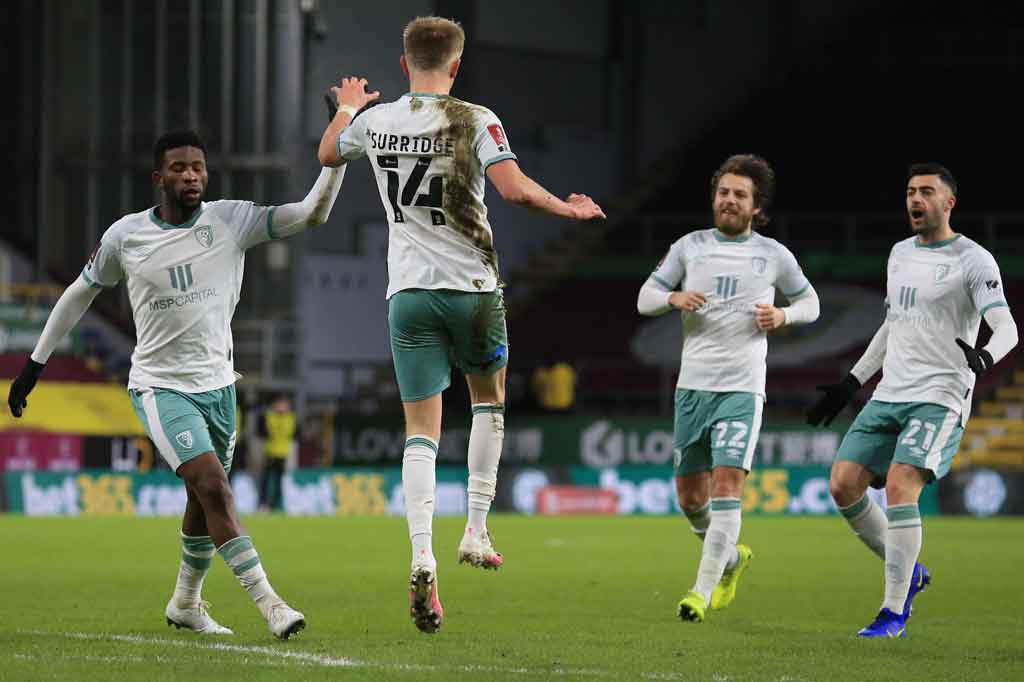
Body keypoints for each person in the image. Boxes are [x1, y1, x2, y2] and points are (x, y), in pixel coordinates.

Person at [317, 16, 606, 633]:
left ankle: (422, 553)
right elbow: (515, 191)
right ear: (456, 65)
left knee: (420, 430)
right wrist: (568, 205)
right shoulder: (474, 118)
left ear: (402, 65)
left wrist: (346, 107)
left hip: (409, 294)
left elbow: (326, 152)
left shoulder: (377, 121)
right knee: (489, 402)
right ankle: (475, 529)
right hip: (472, 287)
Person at [7, 129, 347, 640]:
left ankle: (185, 602)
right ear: (158, 177)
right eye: (180, 167)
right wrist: (35, 364)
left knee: (200, 499)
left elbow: (310, 213)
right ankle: (271, 604)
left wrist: (335, 156)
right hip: (160, 388)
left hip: (218, 388)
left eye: (198, 168)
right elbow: (79, 294)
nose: (191, 175)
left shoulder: (232, 220)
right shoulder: (126, 236)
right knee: (213, 486)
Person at [807, 163, 1019, 638]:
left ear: (949, 203)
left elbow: (1007, 327)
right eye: (909, 191)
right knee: (843, 485)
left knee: (902, 483)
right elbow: (892, 325)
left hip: (940, 394)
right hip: (890, 391)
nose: (915, 199)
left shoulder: (974, 259)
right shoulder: (899, 254)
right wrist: (851, 383)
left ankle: (892, 610)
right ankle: (912, 572)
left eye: (926, 191)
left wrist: (984, 358)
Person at [636, 154, 820, 624]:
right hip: (692, 388)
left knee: (726, 487)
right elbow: (646, 298)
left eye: (740, 195)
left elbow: (811, 303)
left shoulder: (774, 254)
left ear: (757, 207)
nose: (730, 200)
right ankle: (733, 560)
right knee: (690, 500)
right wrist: (674, 297)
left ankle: (699, 591)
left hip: (741, 389)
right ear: (714, 197)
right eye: (724, 192)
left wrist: (783, 315)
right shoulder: (689, 247)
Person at [259, 394, 297, 511]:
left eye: (284, 405)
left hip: (283, 454)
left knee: (279, 481)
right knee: (265, 480)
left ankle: (275, 504)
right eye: (279, 405)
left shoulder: (291, 418)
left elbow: (294, 434)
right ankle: (263, 504)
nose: (281, 407)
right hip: (270, 452)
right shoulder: (269, 416)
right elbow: (262, 432)